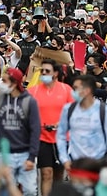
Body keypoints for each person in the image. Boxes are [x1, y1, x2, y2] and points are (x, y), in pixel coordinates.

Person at [0, 68, 41, 196]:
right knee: (6, 190)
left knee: (29, 191)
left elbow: (35, 130)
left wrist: (32, 156)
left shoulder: (29, 102)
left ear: (14, 83)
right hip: (4, 153)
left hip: (25, 152)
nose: (2, 83)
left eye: (5, 81)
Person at [27, 59, 72, 195]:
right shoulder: (33, 91)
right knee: (46, 173)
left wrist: (61, 124)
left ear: (56, 73)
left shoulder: (66, 90)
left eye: (47, 71)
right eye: (42, 71)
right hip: (41, 138)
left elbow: (72, 112)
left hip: (62, 139)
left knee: (58, 175)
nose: (44, 73)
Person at [56, 75, 107, 171]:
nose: (73, 92)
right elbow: (61, 135)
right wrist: (64, 159)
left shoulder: (104, 110)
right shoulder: (69, 109)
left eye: (76, 88)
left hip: (99, 162)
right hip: (75, 162)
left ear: (87, 90)